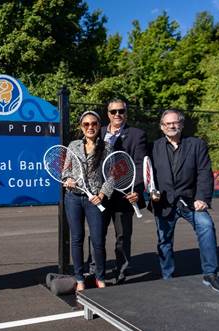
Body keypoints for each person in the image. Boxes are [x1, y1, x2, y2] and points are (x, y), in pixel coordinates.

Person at [151, 109, 219, 294]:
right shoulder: (154, 147)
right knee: (164, 241)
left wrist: (202, 198)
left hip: (191, 201)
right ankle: (167, 277)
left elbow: (204, 172)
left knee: (206, 227)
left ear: (181, 124)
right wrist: (151, 193)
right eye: (167, 123)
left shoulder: (197, 144)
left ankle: (210, 275)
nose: (172, 126)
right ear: (162, 127)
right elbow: (149, 174)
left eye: (175, 122)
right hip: (164, 202)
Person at [88, 99, 147, 285]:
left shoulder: (137, 135)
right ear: (108, 114)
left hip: (123, 195)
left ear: (126, 113)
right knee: (96, 235)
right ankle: (95, 272)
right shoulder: (100, 131)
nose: (117, 115)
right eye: (113, 112)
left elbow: (140, 165)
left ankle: (121, 273)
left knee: (122, 237)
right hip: (101, 196)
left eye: (121, 111)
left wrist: (136, 189)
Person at [63, 110, 113, 292]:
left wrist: (102, 194)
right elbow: (65, 171)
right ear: (81, 127)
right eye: (86, 124)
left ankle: (100, 277)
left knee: (98, 241)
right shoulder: (73, 145)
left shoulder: (107, 147)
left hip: (95, 201)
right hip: (73, 198)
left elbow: (112, 176)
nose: (90, 127)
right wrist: (68, 180)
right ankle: (79, 278)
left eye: (94, 124)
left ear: (99, 126)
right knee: (77, 239)